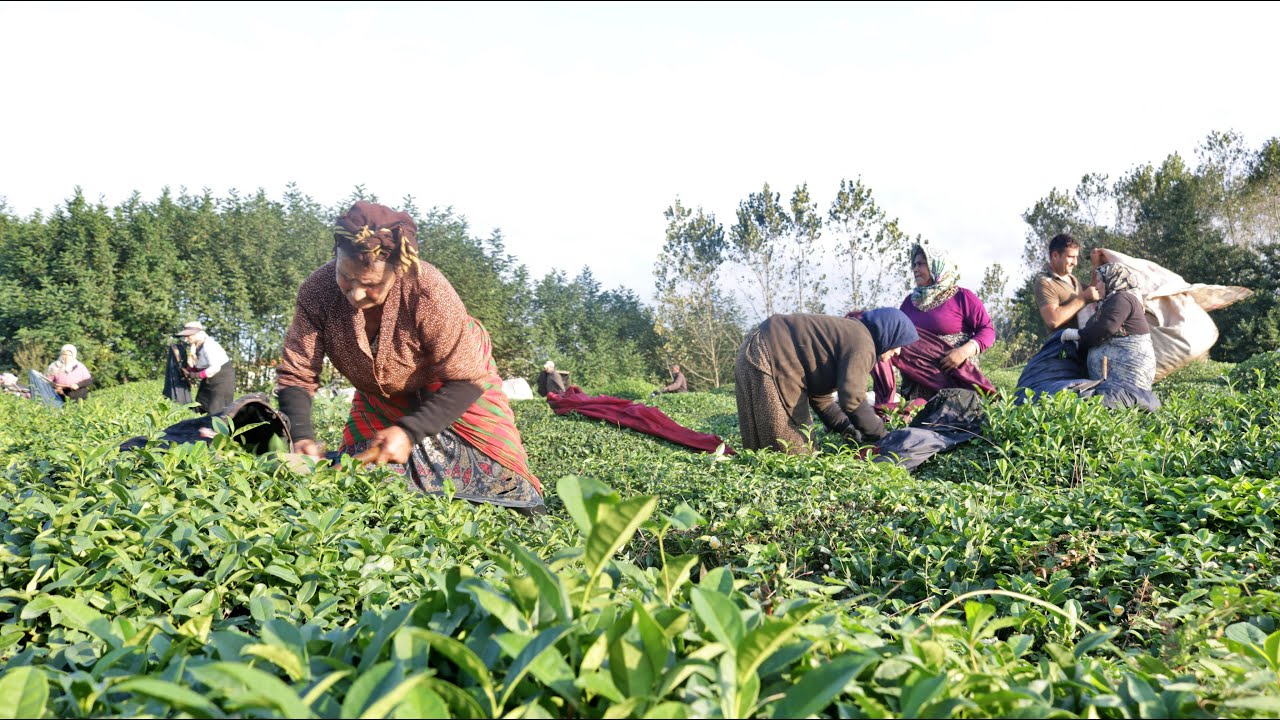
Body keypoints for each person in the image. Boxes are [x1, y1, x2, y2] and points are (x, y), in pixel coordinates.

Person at [274, 201, 544, 513]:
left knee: (514, 497)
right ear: (336, 257)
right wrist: (302, 437)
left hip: (456, 380)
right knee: (360, 484)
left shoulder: (428, 291)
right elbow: (298, 373)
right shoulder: (317, 292)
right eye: (347, 278)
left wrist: (409, 432)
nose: (356, 294)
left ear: (398, 271)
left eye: (371, 284)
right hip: (380, 389)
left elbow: (468, 379)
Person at [734, 309, 919, 454]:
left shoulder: (851, 334)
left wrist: (845, 426)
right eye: (899, 344)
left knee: (759, 444)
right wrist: (882, 435)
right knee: (794, 450)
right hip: (768, 355)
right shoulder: (863, 343)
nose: (898, 352)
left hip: (754, 350)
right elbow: (852, 399)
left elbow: (821, 398)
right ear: (889, 333)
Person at [871, 244, 998, 405]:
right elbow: (896, 336)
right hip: (919, 380)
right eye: (914, 265)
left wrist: (963, 352)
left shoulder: (962, 297)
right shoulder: (909, 303)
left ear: (936, 266)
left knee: (956, 421)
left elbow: (987, 330)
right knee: (921, 419)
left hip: (954, 376)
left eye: (921, 264)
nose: (915, 269)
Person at [1060, 263, 1156, 390]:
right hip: (1114, 380)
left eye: (1100, 281)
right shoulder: (1109, 303)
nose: (1096, 286)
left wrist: (1077, 335)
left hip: (1128, 373)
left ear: (1111, 280)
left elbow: (1105, 328)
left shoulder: (1122, 298)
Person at [1035, 233, 1101, 331]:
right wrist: (1082, 299)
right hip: (1064, 344)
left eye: (1076, 257)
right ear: (1055, 255)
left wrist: (1097, 266)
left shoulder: (1071, 278)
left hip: (1084, 341)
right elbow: (1053, 320)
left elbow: (1093, 294)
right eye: (1070, 257)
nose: (1075, 262)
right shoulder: (1045, 282)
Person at [175, 321, 235, 415]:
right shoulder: (196, 345)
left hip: (222, 379)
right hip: (210, 378)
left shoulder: (209, 346)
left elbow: (215, 368)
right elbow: (201, 365)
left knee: (216, 411)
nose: (186, 339)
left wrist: (193, 375)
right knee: (200, 404)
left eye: (188, 336)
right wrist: (190, 370)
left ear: (197, 334)